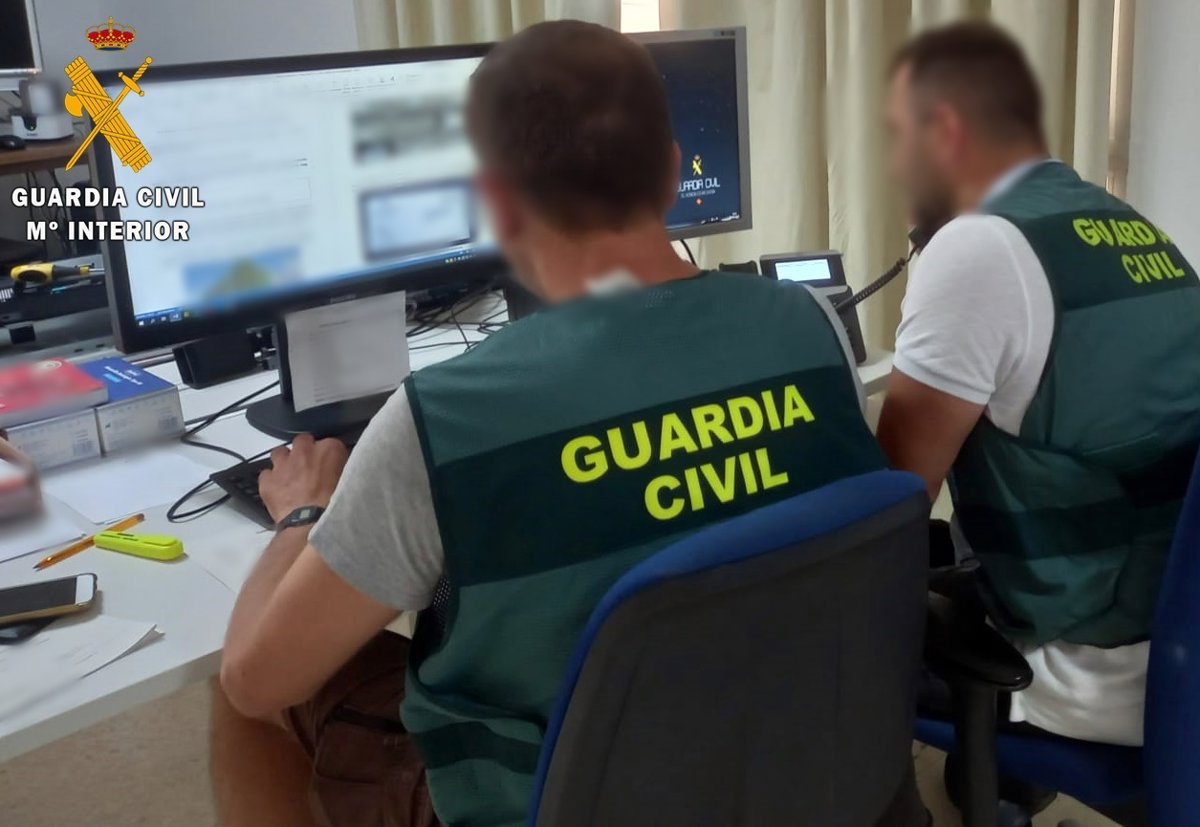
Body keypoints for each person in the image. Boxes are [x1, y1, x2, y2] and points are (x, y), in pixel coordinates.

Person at [214, 20, 890, 827]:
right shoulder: (811, 327)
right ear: (673, 172)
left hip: (556, 802)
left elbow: (258, 679)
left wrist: (299, 516)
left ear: (494, 204)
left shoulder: (442, 421)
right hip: (793, 768)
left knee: (239, 687)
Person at [879, 20, 1200, 751]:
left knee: (811, 621)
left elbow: (888, 507)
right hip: (1176, 632)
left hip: (1088, 665)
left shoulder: (979, 245)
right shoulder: (1125, 225)